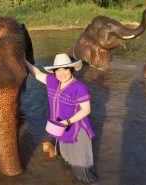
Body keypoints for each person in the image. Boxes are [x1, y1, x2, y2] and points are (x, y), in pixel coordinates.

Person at [24, 53, 98, 184]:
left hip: (77, 131)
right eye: (58, 70)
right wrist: (23, 60)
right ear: (54, 71)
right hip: (61, 129)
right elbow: (37, 73)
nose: (61, 73)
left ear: (72, 69)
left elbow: (86, 110)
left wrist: (67, 122)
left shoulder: (79, 88)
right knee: (68, 161)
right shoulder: (52, 81)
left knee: (82, 169)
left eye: (65, 69)